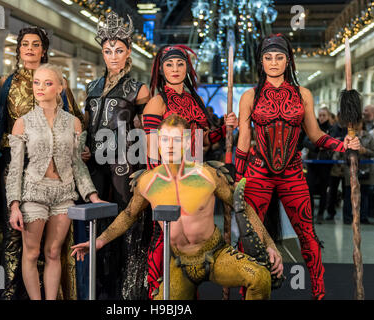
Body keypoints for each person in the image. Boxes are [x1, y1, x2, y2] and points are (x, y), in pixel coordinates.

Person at [71, 114, 283, 300]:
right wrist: (99, 241)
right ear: (158, 142)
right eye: (165, 139)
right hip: (179, 262)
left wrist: (270, 244)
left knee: (259, 276)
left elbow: (243, 207)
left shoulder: (208, 175)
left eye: (176, 139)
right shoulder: (147, 182)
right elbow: (129, 215)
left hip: (216, 254)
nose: (170, 145)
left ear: (188, 142)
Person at [235, 33, 360, 300]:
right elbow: (244, 141)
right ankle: (248, 291)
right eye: (268, 58)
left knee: (308, 237)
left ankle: (319, 292)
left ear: (288, 60)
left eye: (279, 57)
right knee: (249, 237)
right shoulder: (250, 96)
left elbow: (315, 135)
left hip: (292, 173)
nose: (273, 62)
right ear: (261, 62)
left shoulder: (303, 94)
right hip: (258, 174)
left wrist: (343, 144)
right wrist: (236, 179)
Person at [142, 44, 238, 298]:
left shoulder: (195, 100)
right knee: (163, 238)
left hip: (195, 179)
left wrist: (225, 128)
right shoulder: (156, 101)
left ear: (188, 68)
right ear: (161, 70)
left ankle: (185, 296)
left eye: (180, 64)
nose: (175, 69)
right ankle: (157, 293)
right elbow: (152, 151)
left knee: (190, 244)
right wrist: (162, 187)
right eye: (169, 65)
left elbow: (205, 141)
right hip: (168, 179)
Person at [0, 26, 82, 300]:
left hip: (56, 177)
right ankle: (13, 295)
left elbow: (75, 116)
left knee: (53, 247)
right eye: (24, 44)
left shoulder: (56, 80)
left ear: (43, 49)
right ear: (19, 49)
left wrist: (78, 147)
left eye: (35, 44)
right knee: (14, 237)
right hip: (15, 166)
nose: (30, 49)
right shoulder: (6, 82)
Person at [6, 64, 104, 300]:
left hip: (63, 193)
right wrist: (14, 205)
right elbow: (15, 168)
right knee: (31, 253)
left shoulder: (74, 123)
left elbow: (77, 165)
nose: (40, 87)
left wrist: (92, 195)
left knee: (53, 252)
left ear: (61, 87)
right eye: (36, 82)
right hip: (33, 192)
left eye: (48, 83)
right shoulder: (23, 122)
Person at [82, 11, 151, 300]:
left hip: (125, 161)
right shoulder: (92, 87)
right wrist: (84, 145)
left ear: (128, 53)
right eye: (108, 50)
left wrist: (146, 165)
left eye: (119, 50)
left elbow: (147, 131)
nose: (113, 56)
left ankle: (129, 291)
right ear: (102, 52)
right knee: (96, 221)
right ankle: (99, 288)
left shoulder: (138, 88)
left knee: (129, 221)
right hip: (95, 164)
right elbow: (87, 125)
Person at [337, 121, 374, 224]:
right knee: (349, 194)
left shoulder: (369, 136)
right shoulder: (349, 136)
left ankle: (363, 217)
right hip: (351, 169)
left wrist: (365, 151)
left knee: (364, 195)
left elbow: (373, 151)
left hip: (366, 169)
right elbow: (343, 152)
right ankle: (348, 218)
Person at [303, 106, 334, 223]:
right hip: (312, 164)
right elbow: (305, 142)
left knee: (323, 191)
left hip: (325, 164)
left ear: (328, 116)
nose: (321, 118)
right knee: (309, 189)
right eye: (320, 115)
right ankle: (310, 213)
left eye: (324, 115)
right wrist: (316, 146)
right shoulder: (313, 127)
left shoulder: (332, 129)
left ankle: (320, 214)